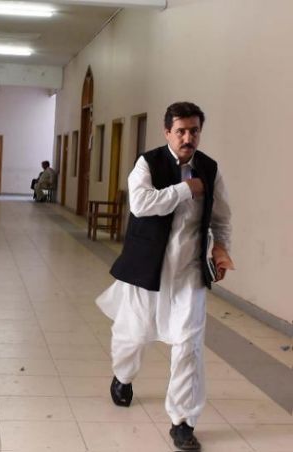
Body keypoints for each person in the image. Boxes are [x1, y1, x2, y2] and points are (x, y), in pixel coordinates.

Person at [95, 102, 233, 451]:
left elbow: (221, 219)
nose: (188, 138)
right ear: (167, 131)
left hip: (188, 273)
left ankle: (182, 421)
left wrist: (221, 248)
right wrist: (187, 189)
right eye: (181, 131)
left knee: (188, 346)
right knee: (132, 335)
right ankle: (123, 378)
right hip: (145, 267)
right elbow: (141, 204)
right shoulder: (148, 162)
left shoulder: (210, 169)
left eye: (194, 131)